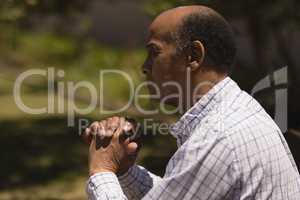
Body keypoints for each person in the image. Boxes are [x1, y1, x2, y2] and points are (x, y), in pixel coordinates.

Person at [82, 5, 300, 200]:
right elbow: (181, 191)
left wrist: (103, 170)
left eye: (153, 53)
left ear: (194, 56)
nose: (145, 67)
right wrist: (123, 170)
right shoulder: (237, 111)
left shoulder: (216, 138)